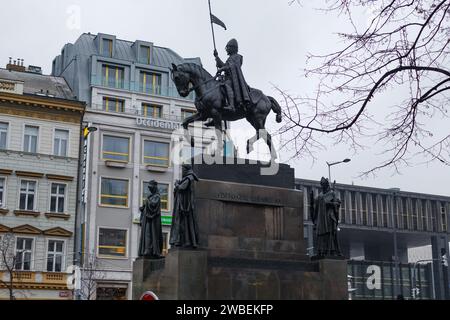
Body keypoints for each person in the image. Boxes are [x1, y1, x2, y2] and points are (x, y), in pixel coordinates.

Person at [214, 38, 252, 112]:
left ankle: (231, 105)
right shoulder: (230, 58)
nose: (227, 49)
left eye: (228, 47)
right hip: (227, 78)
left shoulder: (238, 57)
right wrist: (217, 57)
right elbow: (224, 65)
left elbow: (232, 66)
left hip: (234, 80)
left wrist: (222, 69)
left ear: (233, 48)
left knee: (226, 85)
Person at [311, 177, 342, 256]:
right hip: (321, 218)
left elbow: (337, 203)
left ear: (327, 185)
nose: (322, 187)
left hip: (329, 217)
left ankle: (332, 251)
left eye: (324, 185)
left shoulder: (332, 193)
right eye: (321, 185)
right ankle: (321, 251)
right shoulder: (320, 196)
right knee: (321, 235)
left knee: (330, 235)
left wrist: (331, 204)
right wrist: (311, 200)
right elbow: (315, 207)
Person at [169, 164, 199, 248]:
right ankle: (181, 240)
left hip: (185, 206)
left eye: (183, 169)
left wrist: (176, 184)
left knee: (184, 224)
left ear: (186, 169)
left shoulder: (189, 178)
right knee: (182, 224)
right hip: (182, 205)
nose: (182, 171)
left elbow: (182, 188)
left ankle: (185, 241)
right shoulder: (187, 178)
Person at [138, 180, 163, 258]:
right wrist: (143, 208)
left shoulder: (157, 196)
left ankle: (150, 250)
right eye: (149, 188)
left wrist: (147, 201)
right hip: (148, 219)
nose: (150, 190)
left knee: (150, 234)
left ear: (155, 187)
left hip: (153, 220)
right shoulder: (151, 196)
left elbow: (153, 205)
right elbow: (148, 205)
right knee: (147, 234)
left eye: (151, 188)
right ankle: (146, 249)